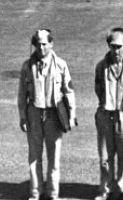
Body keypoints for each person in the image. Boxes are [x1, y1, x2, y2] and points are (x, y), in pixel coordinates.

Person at [18, 29, 77, 200]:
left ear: (51, 44)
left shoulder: (61, 65)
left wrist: (72, 115)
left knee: (54, 157)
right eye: (38, 44)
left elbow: (68, 91)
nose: (41, 48)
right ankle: (35, 193)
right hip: (34, 113)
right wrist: (22, 116)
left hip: (54, 114)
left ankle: (52, 193)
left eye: (44, 44)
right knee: (34, 156)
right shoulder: (27, 66)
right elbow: (22, 93)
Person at [94, 27, 123, 200]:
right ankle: (105, 189)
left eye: (119, 46)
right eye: (113, 46)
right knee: (106, 156)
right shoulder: (101, 66)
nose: (116, 50)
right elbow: (98, 88)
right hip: (106, 114)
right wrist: (106, 106)